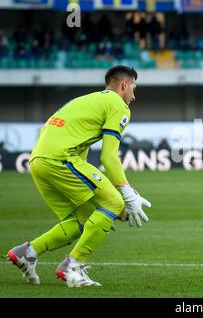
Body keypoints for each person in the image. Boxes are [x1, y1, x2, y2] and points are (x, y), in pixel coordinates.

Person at [7, 65, 151, 287]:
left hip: (37, 161)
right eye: (133, 88)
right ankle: (73, 266)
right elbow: (109, 157)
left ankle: (28, 252)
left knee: (79, 222)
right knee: (114, 203)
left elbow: (79, 152)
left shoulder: (86, 101)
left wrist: (101, 208)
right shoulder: (118, 105)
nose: (134, 95)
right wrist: (127, 194)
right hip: (60, 158)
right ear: (124, 85)